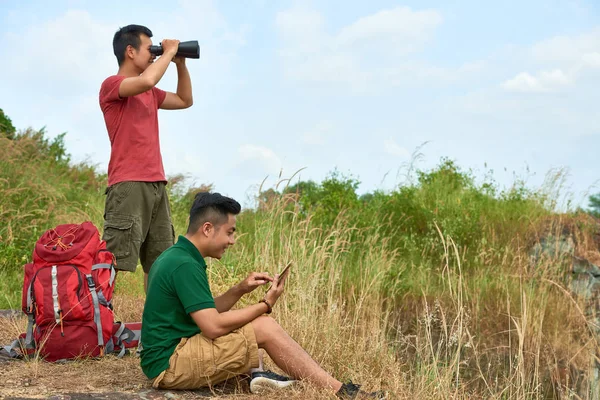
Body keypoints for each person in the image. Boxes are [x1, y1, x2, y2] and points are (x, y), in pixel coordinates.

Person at [140, 192, 387, 399]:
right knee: (264, 328)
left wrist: (239, 289)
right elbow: (212, 326)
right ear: (207, 229)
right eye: (230, 232)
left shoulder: (178, 255)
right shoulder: (185, 264)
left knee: (254, 344)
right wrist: (266, 304)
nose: (232, 241)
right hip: (170, 364)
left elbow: (202, 311)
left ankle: (258, 376)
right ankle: (342, 392)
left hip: (168, 356)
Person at [99, 24, 193, 292]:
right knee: (112, 261)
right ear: (130, 51)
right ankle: (96, 321)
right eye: (149, 48)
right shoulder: (112, 85)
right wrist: (168, 52)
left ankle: (155, 326)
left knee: (160, 263)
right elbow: (148, 80)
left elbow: (185, 100)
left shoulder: (150, 94)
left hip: (156, 185)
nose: (153, 54)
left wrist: (179, 64)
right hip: (128, 183)